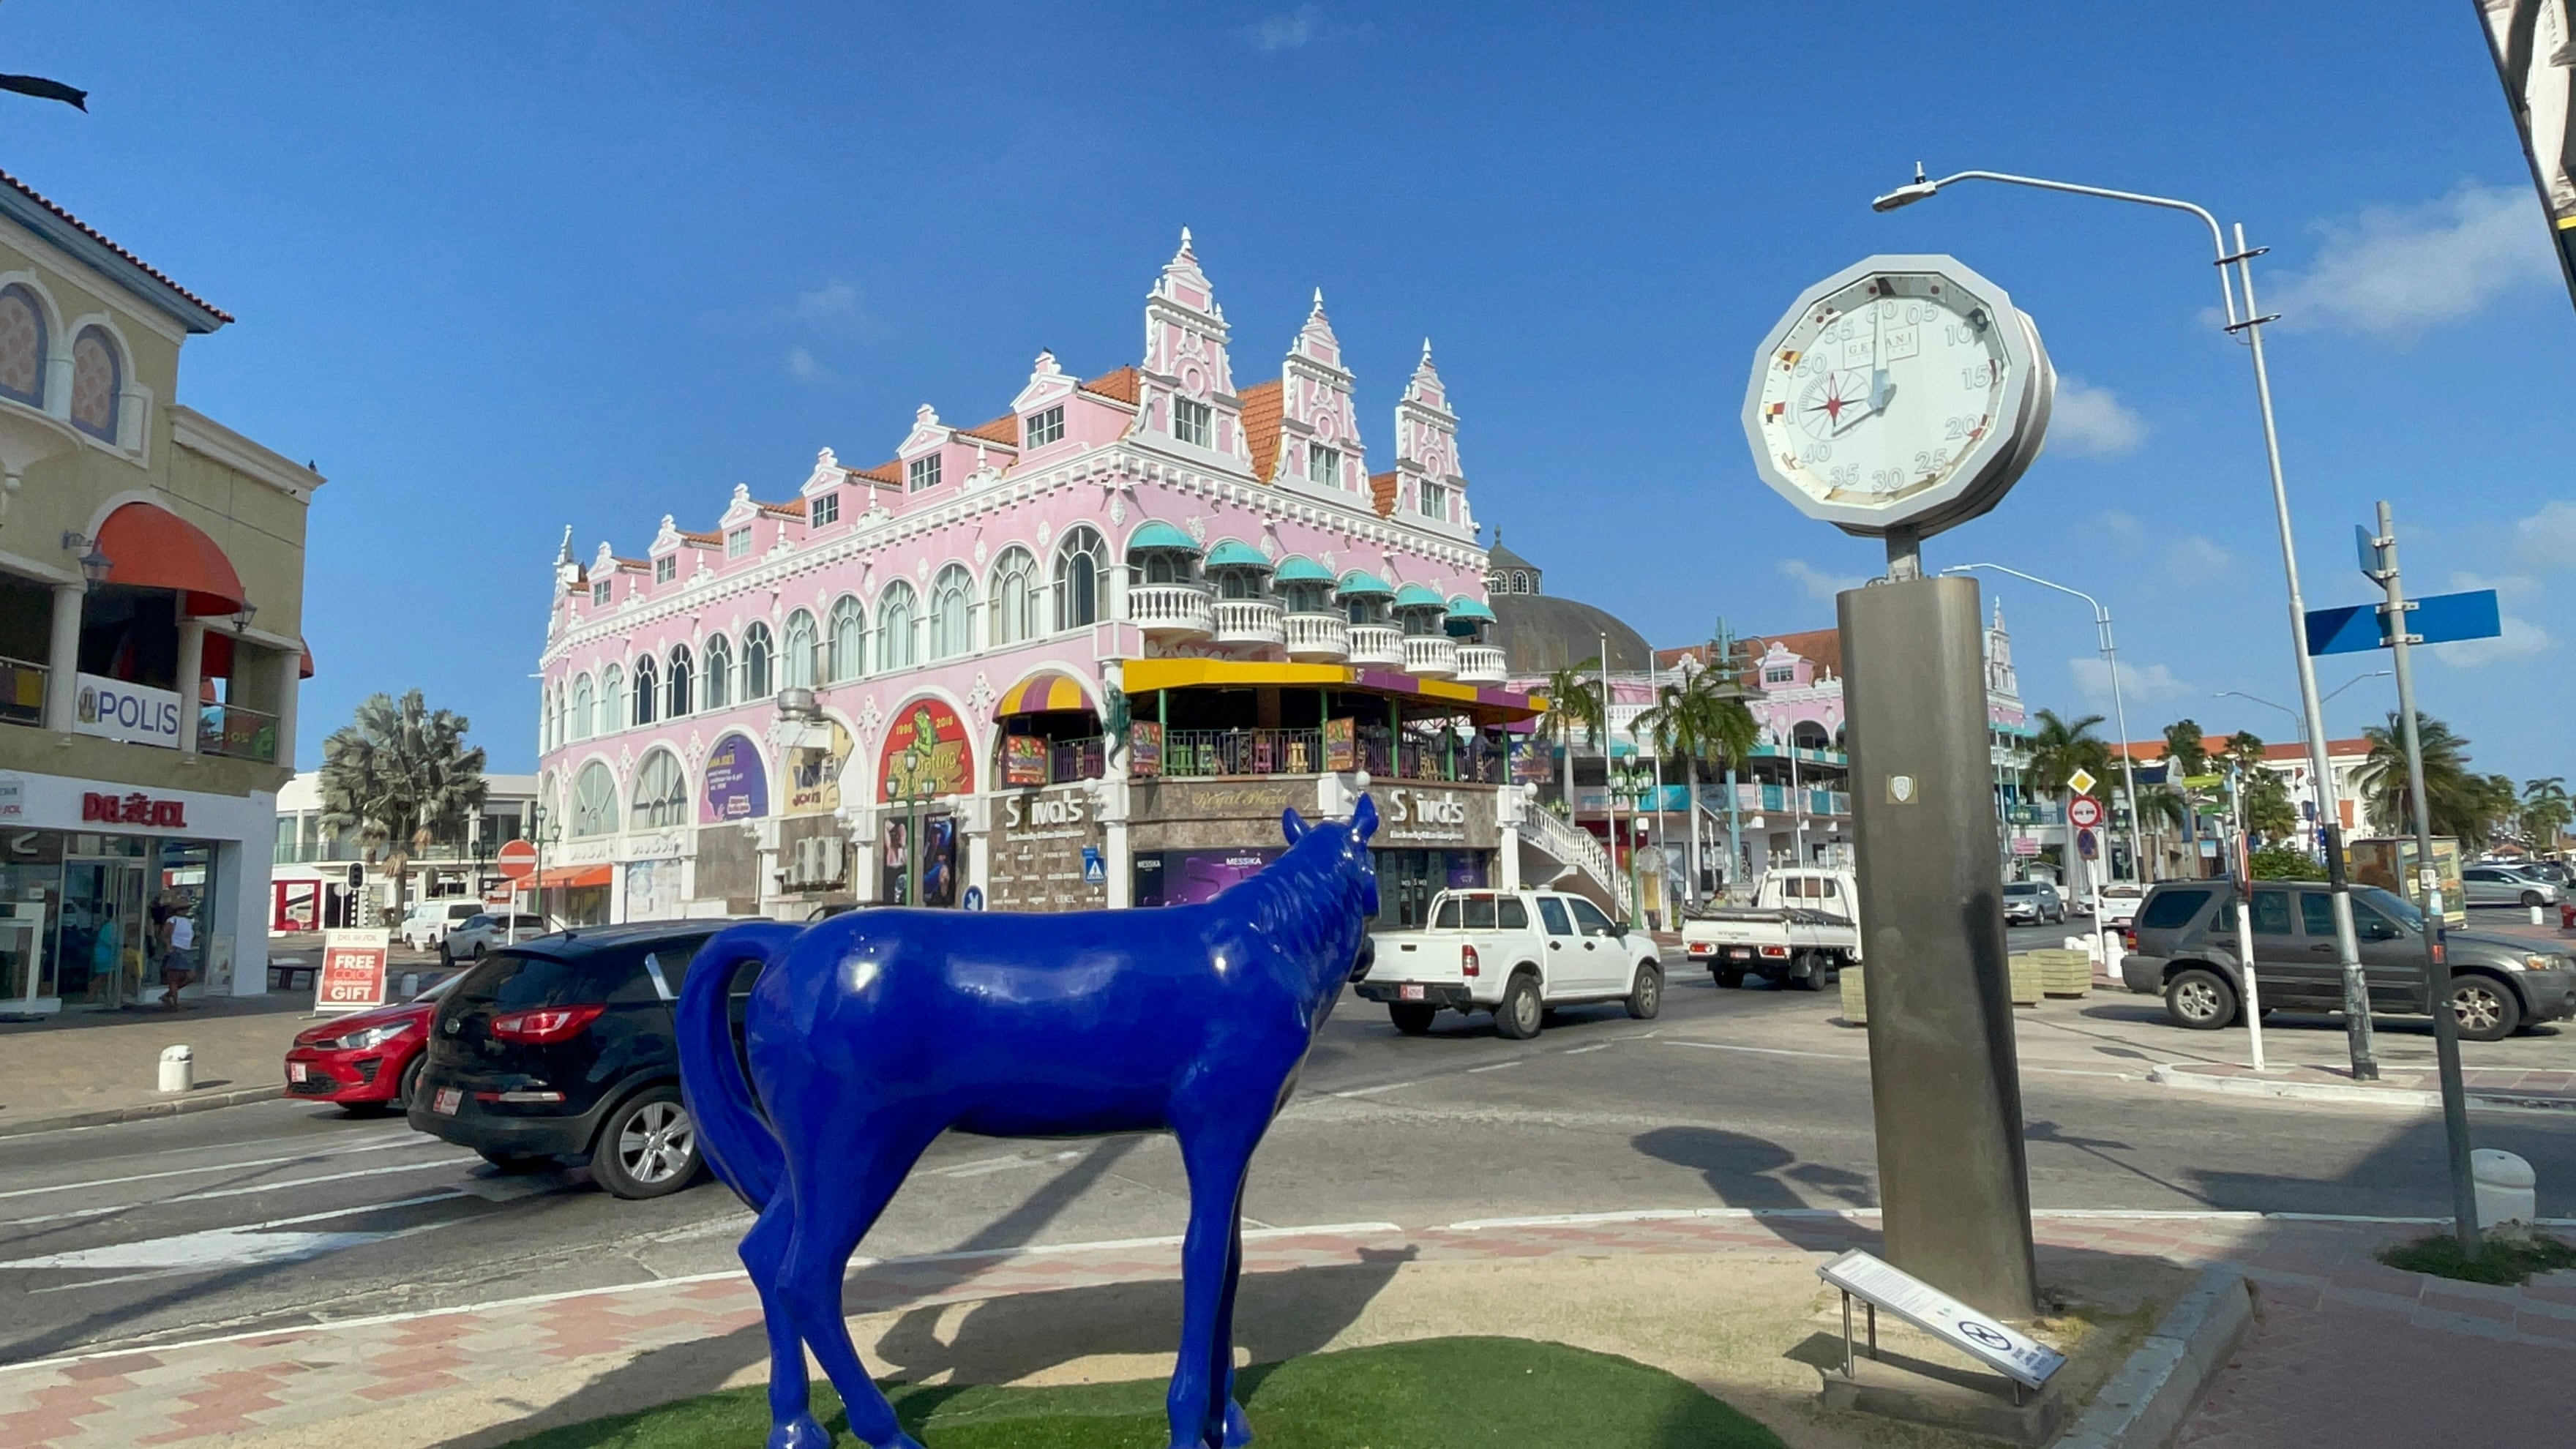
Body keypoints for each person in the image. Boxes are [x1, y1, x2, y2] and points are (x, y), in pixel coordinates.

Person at [160, 902, 195, 1010]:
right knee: (174, 977)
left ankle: (168, 996)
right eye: (183, 909)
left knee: (190, 977)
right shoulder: (172, 920)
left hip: (185, 950)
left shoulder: (188, 921)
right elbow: (164, 934)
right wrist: (169, 945)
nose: (185, 911)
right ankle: (174, 1002)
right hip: (177, 949)